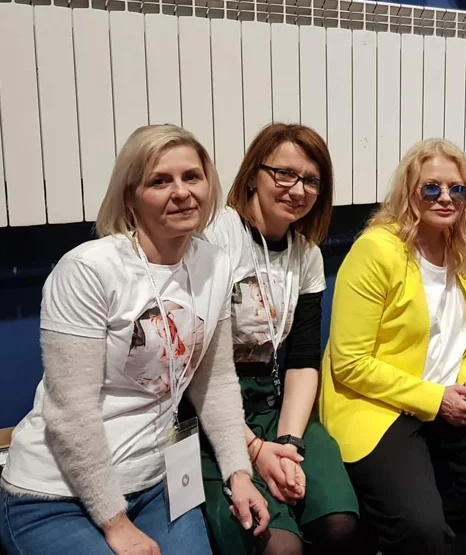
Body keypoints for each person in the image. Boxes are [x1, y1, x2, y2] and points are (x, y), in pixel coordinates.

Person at [0, 125, 269, 555]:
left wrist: (239, 473)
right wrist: (116, 523)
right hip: (55, 495)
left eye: (192, 176)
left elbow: (215, 381)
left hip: (155, 482)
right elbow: (71, 413)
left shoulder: (215, 264)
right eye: (160, 181)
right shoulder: (89, 270)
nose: (181, 192)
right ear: (130, 196)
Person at [319, 139, 466, 555]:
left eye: (457, 189)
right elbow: (350, 363)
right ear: (409, 191)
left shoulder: (461, 245)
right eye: (431, 188)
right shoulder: (376, 249)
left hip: (448, 389)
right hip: (380, 404)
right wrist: (435, 399)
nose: (445, 197)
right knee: (420, 527)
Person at [198, 123, 359, 554]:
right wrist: (255, 451)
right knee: (278, 546)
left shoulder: (306, 253)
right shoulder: (214, 239)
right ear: (254, 174)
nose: (298, 190)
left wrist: (287, 444)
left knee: (339, 522)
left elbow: (303, 359)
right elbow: (196, 369)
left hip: (273, 403)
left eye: (311, 180)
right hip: (211, 408)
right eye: (284, 174)